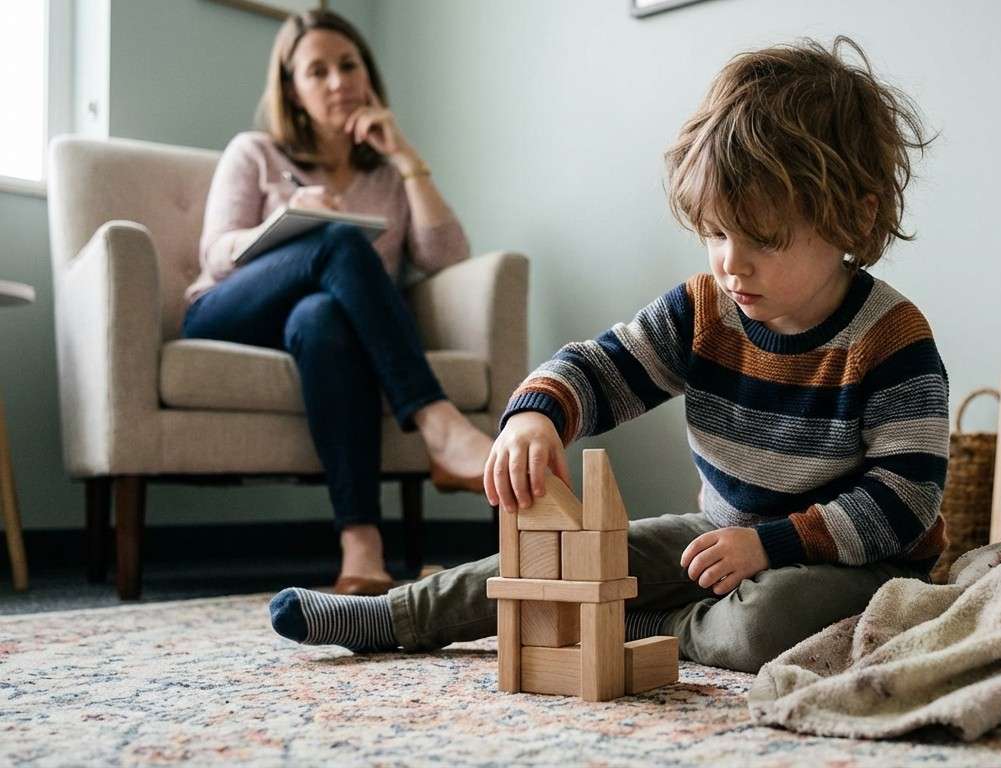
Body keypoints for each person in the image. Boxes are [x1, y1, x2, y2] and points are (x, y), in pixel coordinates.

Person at [268, 36, 950, 673]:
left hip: (854, 562)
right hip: (724, 538)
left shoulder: (892, 340)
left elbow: (904, 500)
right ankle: (393, 615)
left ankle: (646, 627)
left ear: (854, 221)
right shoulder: (707, 308)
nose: (730, 263)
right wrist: (536, 416)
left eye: (763, 239)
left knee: (761, 626)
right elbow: (600, 366)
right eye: (714, 232)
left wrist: (769, 547)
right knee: (568, 554)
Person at [185, 10, 493, 596]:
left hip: (316, 327)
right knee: (339, 240)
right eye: (317, 71)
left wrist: (405, 159)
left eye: (348, 65)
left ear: (368, 74)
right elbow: (216, 256)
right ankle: (439, 424)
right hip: (228, 313)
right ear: (292, 89)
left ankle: (362, 548)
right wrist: (291, 218)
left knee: (322, 316)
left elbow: (446, 254)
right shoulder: (254, 152)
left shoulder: (385, 177)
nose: (337, 82)